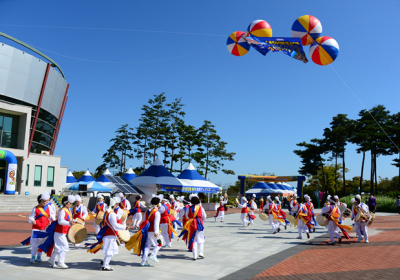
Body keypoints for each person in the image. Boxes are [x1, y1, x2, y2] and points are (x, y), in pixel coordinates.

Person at [26, 191, 56, 263]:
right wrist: (32, 221)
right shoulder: (35, 208)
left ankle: (39, 256)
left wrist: (52, 223)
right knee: (35, 244)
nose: (45, 202)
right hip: (36, 228)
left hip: (45, 229)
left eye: (46, 201)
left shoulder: (49, 207)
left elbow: (52, 217)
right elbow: (31, 217)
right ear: (40, 201)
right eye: (43, 201)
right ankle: (33, 257)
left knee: (42, 243)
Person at [48, 195, 76, 269]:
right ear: (65, 203)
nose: (71, 204)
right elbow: (60, 221)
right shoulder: (63, 211)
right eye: (69, 203)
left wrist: (75, 221)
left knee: (58, 248)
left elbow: (68, 220)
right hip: (59, 232)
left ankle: (51, 260)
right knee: (65, 246)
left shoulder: (67, 210)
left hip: (62, 232)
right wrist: (69, 223)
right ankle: (60, 262)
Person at [185, 194, 207, 260]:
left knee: (193, 239)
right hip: (199, 223)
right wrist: (200, 220)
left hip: (192, 224)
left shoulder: (188, 208)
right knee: (201, 238)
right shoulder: (201, 208)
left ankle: (195, 255)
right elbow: (204, 217)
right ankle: (201, 253)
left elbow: (187, 216)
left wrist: (192, 219)